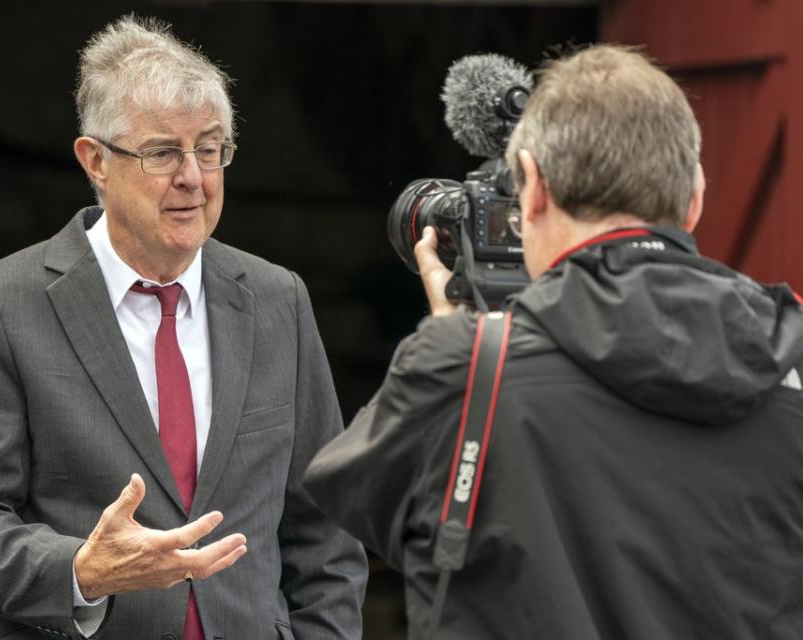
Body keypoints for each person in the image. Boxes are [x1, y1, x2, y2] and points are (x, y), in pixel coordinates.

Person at [304, 44, 803, 640]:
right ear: (694, 198)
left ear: (533, 188)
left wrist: (454, 339)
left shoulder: (461, 367)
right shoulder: (789, 352)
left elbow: (358, 509)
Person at [0, 15, 367, 640]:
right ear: (95, 161)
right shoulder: (4, 303)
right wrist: (82, 571)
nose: (192, 176)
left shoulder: (277, 300)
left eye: (209, 149)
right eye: (162, 152)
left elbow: (326, 528)